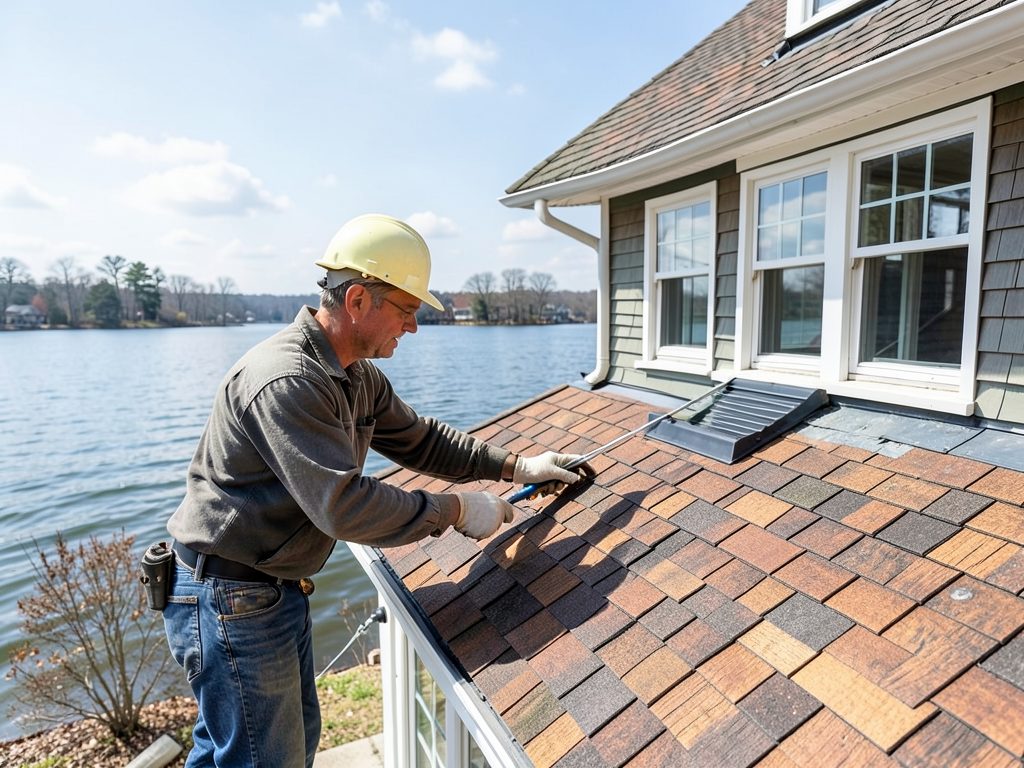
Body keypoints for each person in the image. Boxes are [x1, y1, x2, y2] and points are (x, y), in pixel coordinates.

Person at [162, 213, 588, 768]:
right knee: (264, 758)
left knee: (249, 747)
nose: (412, 328)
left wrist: (518, 466)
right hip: (228, 595)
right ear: (358, 300)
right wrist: (456, 510)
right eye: (407, 310)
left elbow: (422, 442)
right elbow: (344, 506)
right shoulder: (287, 380)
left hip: (270, 590)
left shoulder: (356, 375)